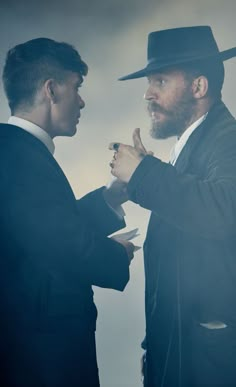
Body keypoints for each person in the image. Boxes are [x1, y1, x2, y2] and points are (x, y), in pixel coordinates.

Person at [0, 37, 135, 387]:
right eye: (76, 87)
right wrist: (116, 253)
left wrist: (110, 197)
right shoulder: (20, 156)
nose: (81, 100)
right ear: (51, 89)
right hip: (40, 356)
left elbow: (44, 227)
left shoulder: (15, 149)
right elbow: (61, 246)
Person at [109, 26, 236, 387]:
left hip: (211, 365)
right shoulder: (196, 143)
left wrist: (144, 175)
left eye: (160, 81)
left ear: (199, 87)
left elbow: (226, 211)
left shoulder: (230, 140)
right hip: (182, 357)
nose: (147, 94)